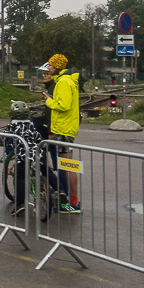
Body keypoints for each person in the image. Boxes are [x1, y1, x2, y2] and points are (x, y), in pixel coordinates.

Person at [43, 53, 81, 213]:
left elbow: (64, 105)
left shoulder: (64, 82)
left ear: (57, 66)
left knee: (67, 167)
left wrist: (48, 100)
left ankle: (73, 203)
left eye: (50, 65)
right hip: (64, 128)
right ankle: (72, 201)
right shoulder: (64, 80)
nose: (48, 67)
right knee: (66, 166)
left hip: (64, 129)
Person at [1, 100, 44, 216]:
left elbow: (5, 138)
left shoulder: (12, 125)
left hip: (24, 155)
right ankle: (58, 190)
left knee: (21, 177)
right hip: (37, 152)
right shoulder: (31, 123)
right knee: (46, 170)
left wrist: (4, 144)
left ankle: (20, 204)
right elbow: (37, 136)